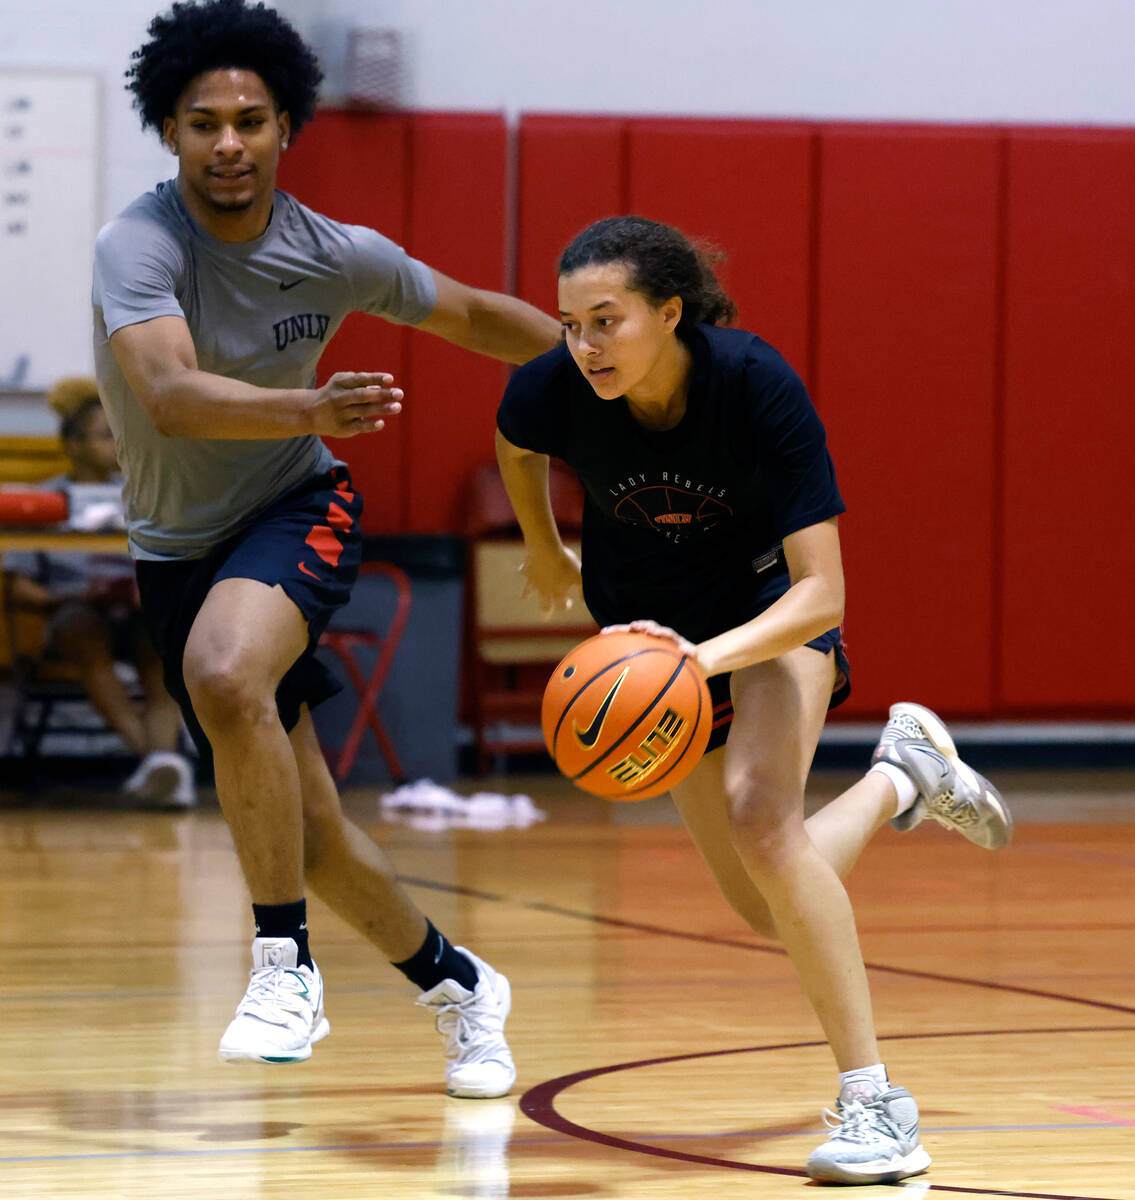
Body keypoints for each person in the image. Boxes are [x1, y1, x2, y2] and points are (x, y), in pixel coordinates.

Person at [95, 0, 561, 1091]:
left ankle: (280, 963)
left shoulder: (335, 254)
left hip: (294, 509)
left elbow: (475, 316)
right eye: (203, 121)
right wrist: (308, 403)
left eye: (250, 120)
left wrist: (604, 373)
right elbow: (167, 393)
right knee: (306, 831)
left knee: (221, 669)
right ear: (168, 130)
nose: (227, 143)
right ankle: (460, 988)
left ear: (285, 129)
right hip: (178, 548)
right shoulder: (140, 242)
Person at [494, 215, 1013, 1183]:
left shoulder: (752, 383)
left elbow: (824, 590)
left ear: (670, 311)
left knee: (761, 824)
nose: (584, 345)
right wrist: (539, 543)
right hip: (651, 638)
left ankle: (877, 1106)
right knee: (762, 900)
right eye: (569, 324)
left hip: (767, 617)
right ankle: (904, 776)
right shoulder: (553, 388)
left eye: (606, 321)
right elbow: (515, 441)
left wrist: (701, 657)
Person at [2, 377, 194, 806]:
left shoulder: (146, 496)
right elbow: (17, 586)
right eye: (107, 436)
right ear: (72, 443)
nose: (119, 445)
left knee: (162, 647)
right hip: (73, 611)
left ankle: (160, 766)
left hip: (136, 609)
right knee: (82, 630)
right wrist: (66, 599)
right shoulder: (47, 499)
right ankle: (160, 761)